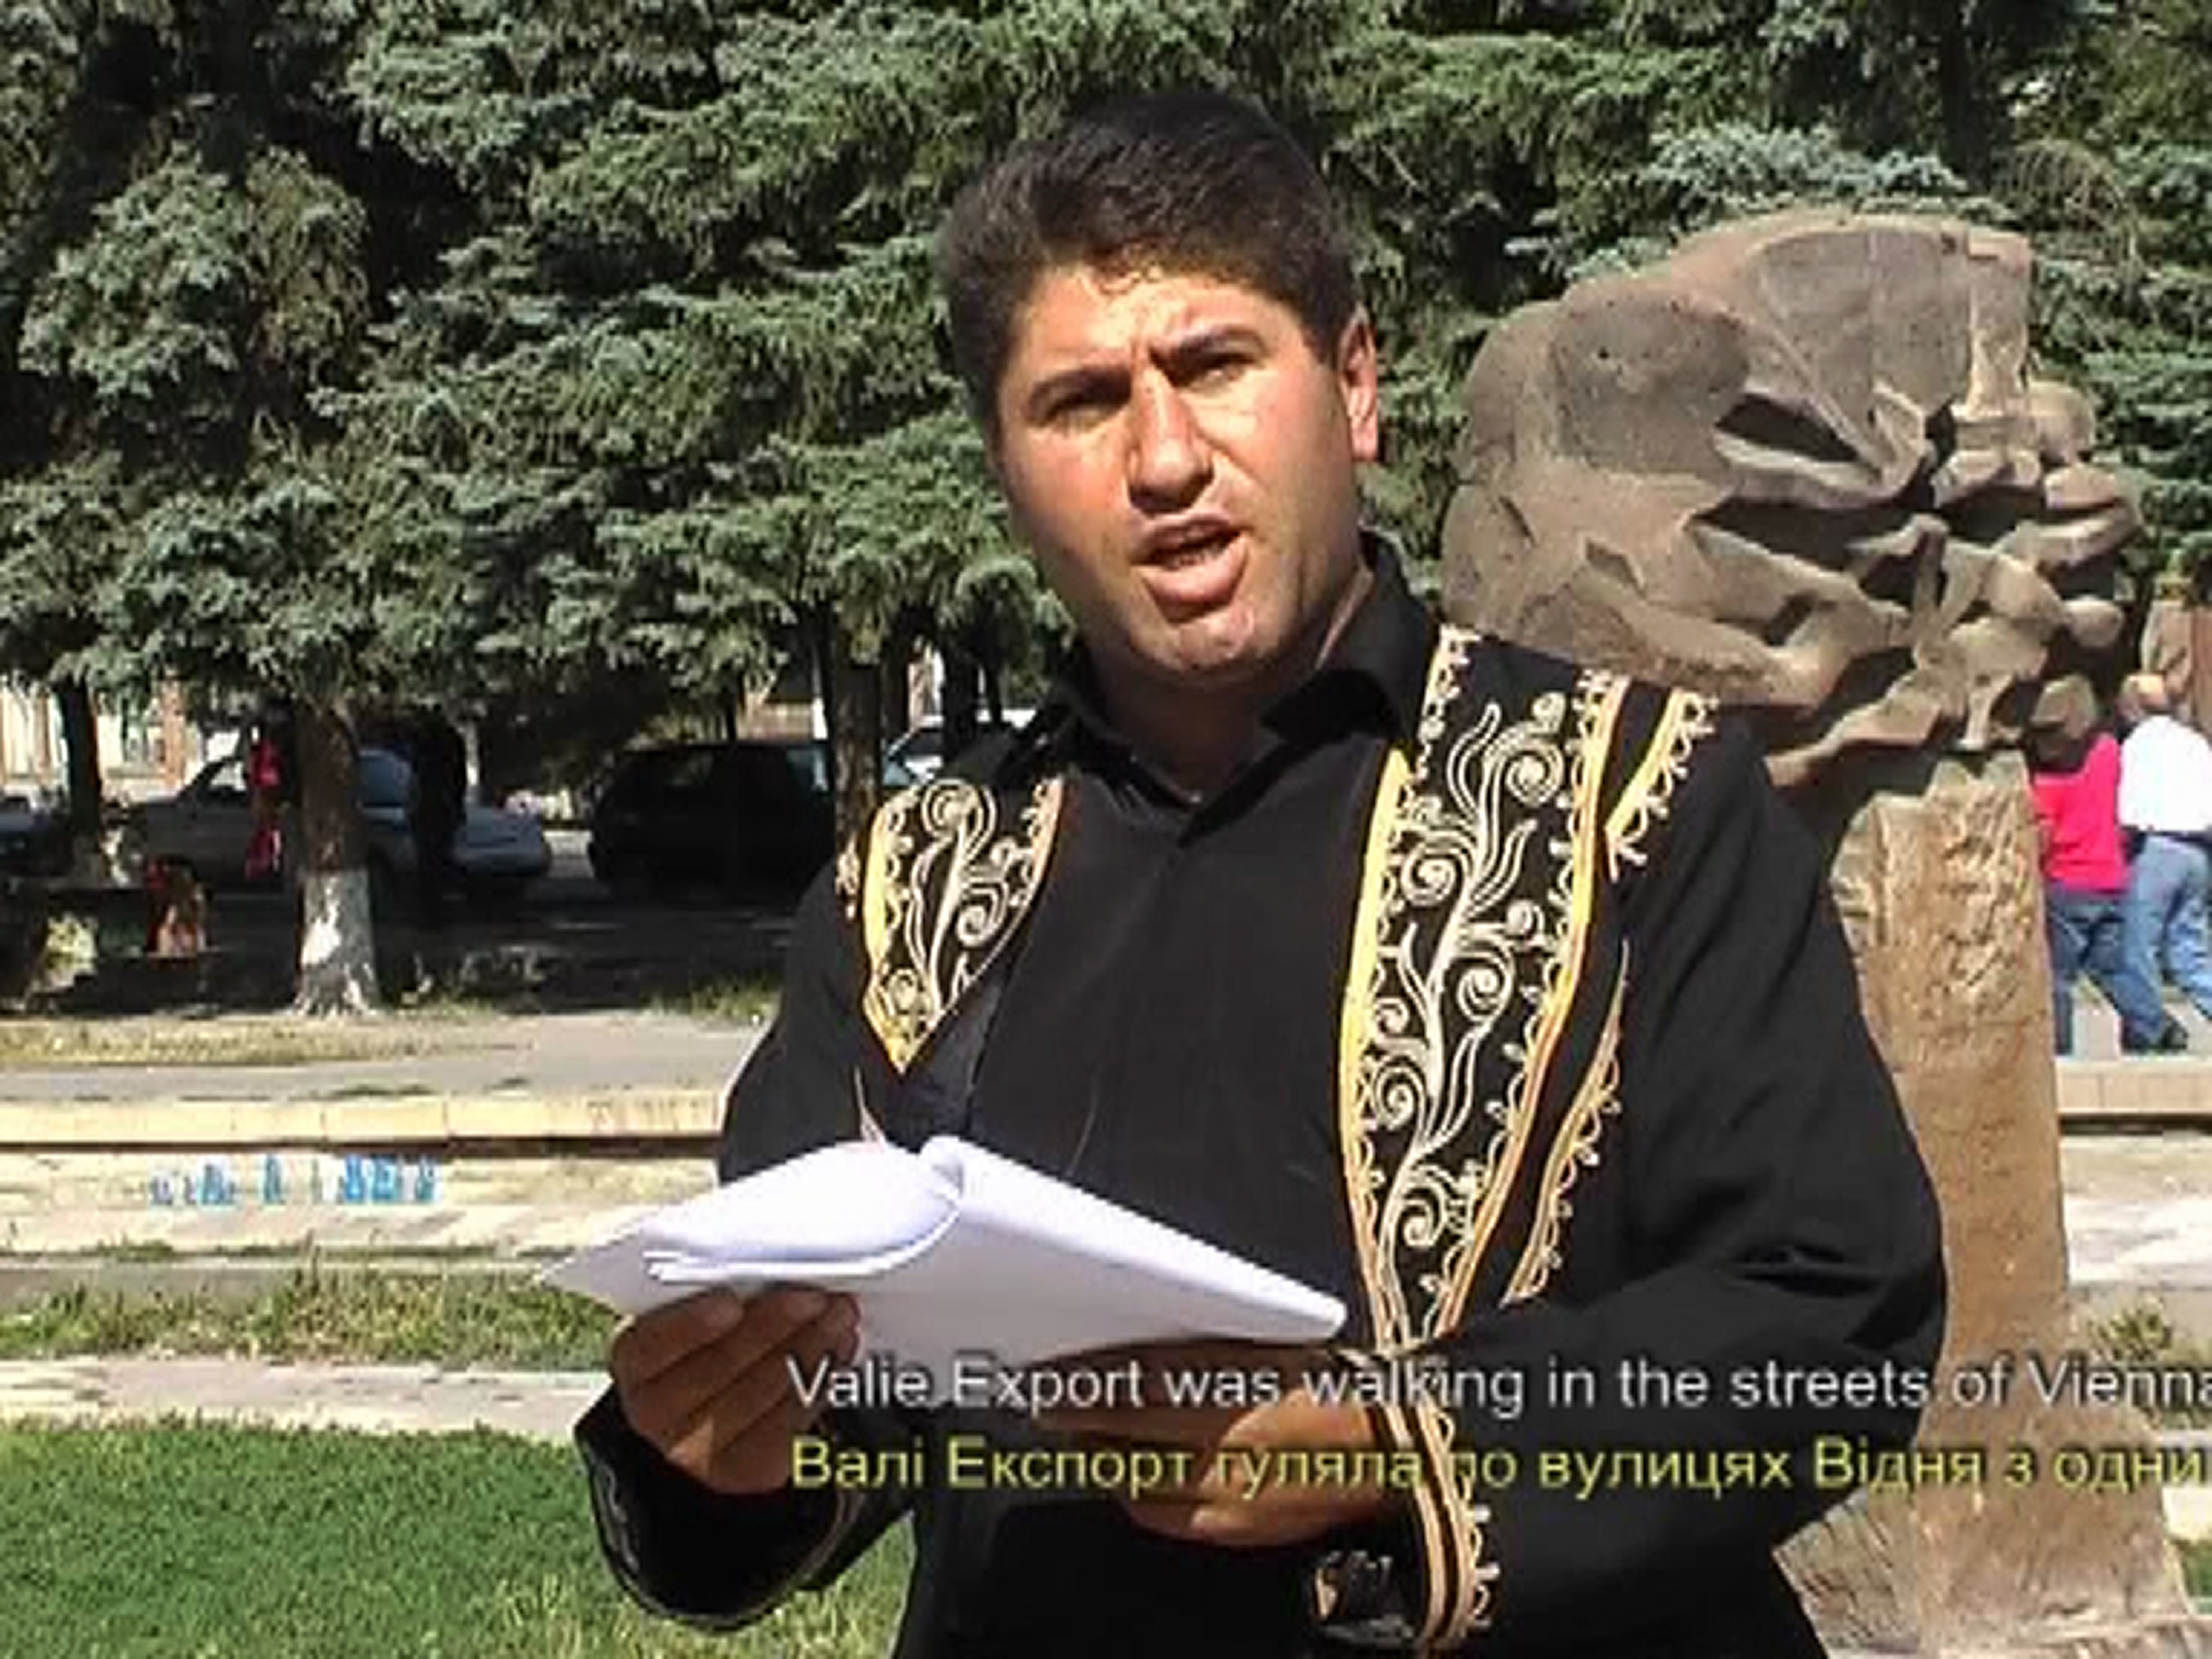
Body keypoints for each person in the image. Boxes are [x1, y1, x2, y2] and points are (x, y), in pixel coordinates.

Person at [573, 90, 1944, 1657]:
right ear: (1005, 469)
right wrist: (716, 1445)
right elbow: (812, 1389)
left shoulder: (1628, 795)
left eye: (1215, 365)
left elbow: (1831, 1313)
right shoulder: (916, 888)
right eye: (1080, 402)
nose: (1163, 458)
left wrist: (1388, 1446)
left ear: (1352, 386)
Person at [2029, 720, 2181, 1054]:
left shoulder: (2050, 775)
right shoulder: (2108, 751)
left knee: (2057, 974)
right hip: (2111, 876)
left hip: (2067, 879)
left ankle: (2058, 1046)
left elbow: (2044, 831)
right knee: (2112, 968)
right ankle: (2155, 1027)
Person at [2119, 671, 2212, 1033]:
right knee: (2189, 948)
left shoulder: (2138, 746)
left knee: (2139, 945)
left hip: (2156, 848)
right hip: (2198, 851)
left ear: (2133, 707)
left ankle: (2148, 1027)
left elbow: (2128, 806)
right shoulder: (2195, 743)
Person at [405, 707, 467, 926]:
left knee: (428, 862)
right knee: (440, 860)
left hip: (430, 808)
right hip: (443, 807)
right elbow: (460, 779)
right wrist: (458, 806)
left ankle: (432, 912)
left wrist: (412, 806)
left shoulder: (425, 740)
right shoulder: (451, 739)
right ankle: (438, 911)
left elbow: (416, 776)